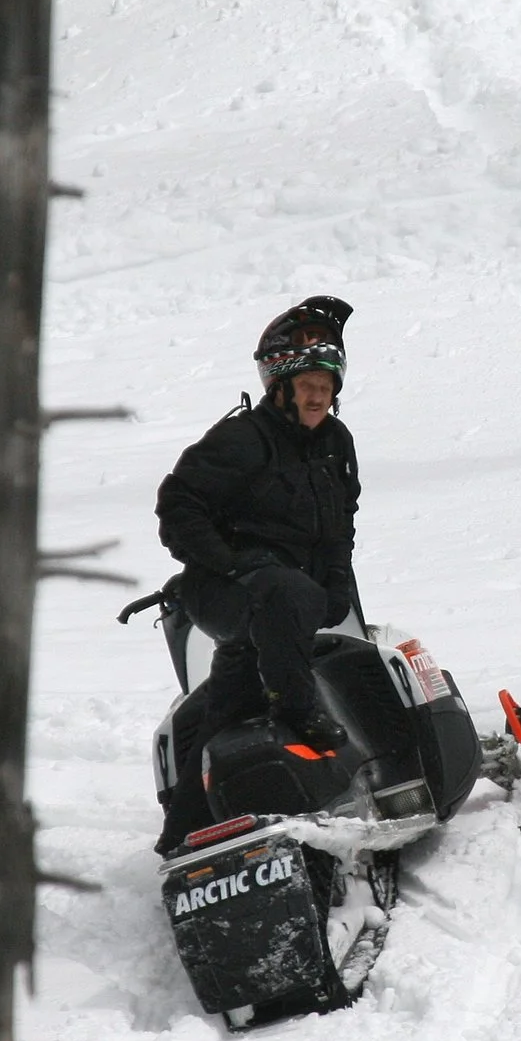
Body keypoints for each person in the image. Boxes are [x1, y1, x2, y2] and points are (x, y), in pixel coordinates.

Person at [152, 295, 362, 852]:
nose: (317, 396)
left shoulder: (336, 444)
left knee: (232, 700)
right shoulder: (242, 438)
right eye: (307, 385)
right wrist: (234, 563)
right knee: (282, 592)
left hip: (282, 598)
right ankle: (299, 710)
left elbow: (340, 525)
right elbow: (177, 507)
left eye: (326, 385)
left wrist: (337, 582)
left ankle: (185, 836)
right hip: (220, 587)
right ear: (279, 386)